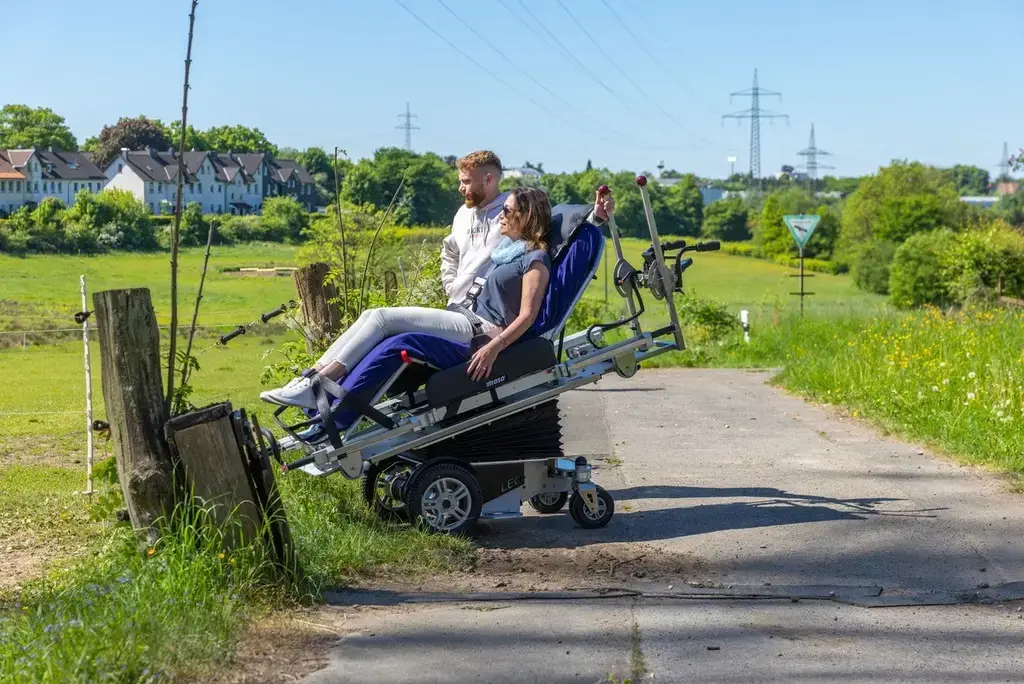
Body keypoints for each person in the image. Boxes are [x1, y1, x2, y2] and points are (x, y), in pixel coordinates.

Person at [261, 186, 559, 410]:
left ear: (526, 216)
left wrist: (494, 348)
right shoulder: (508, 252)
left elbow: (527, 316)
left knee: (381, 318)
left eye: (507, 211)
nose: (501, 216)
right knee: (371, 316)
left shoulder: (535, 260)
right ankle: (311, 377)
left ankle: (319, 388)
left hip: (478, 330)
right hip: (464, 315)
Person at [442, 150, 613, 306]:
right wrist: (451, 285)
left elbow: (555, 229)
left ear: (488, 179)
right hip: (456, 304)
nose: (460, 188)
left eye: (466, 181)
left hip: (487, 309)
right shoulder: (462, 214)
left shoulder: (514, 211)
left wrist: (595, 217)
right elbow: (450, 251)